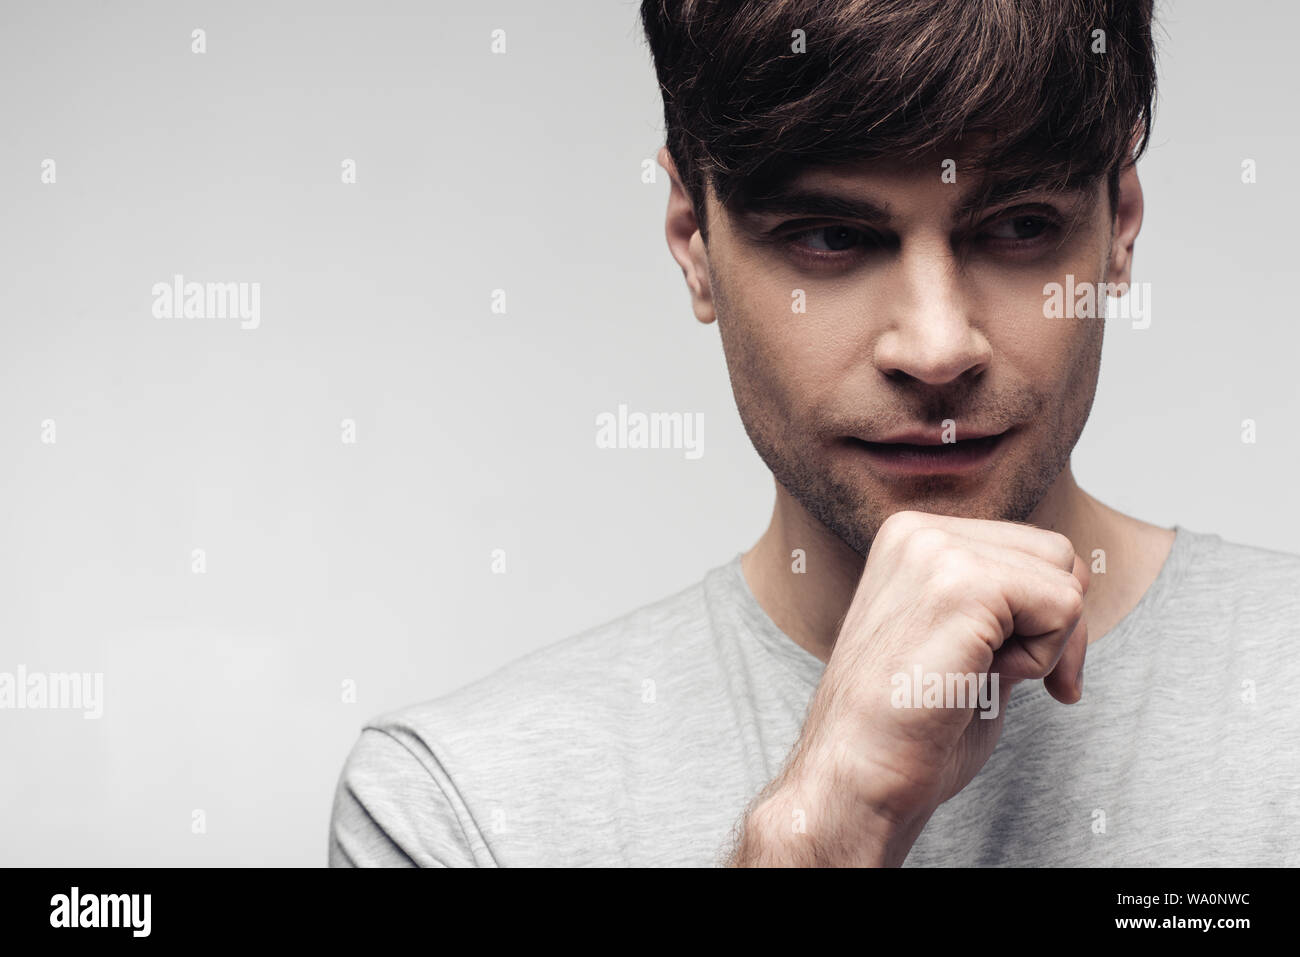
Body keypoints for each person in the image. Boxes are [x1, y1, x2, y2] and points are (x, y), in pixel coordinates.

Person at [328, 0, 1300, 866]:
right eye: (830, 237)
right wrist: (812, 838)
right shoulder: (462, 809)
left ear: (1118, 226)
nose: (935, 347)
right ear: (693, 243)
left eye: (1015, 227)